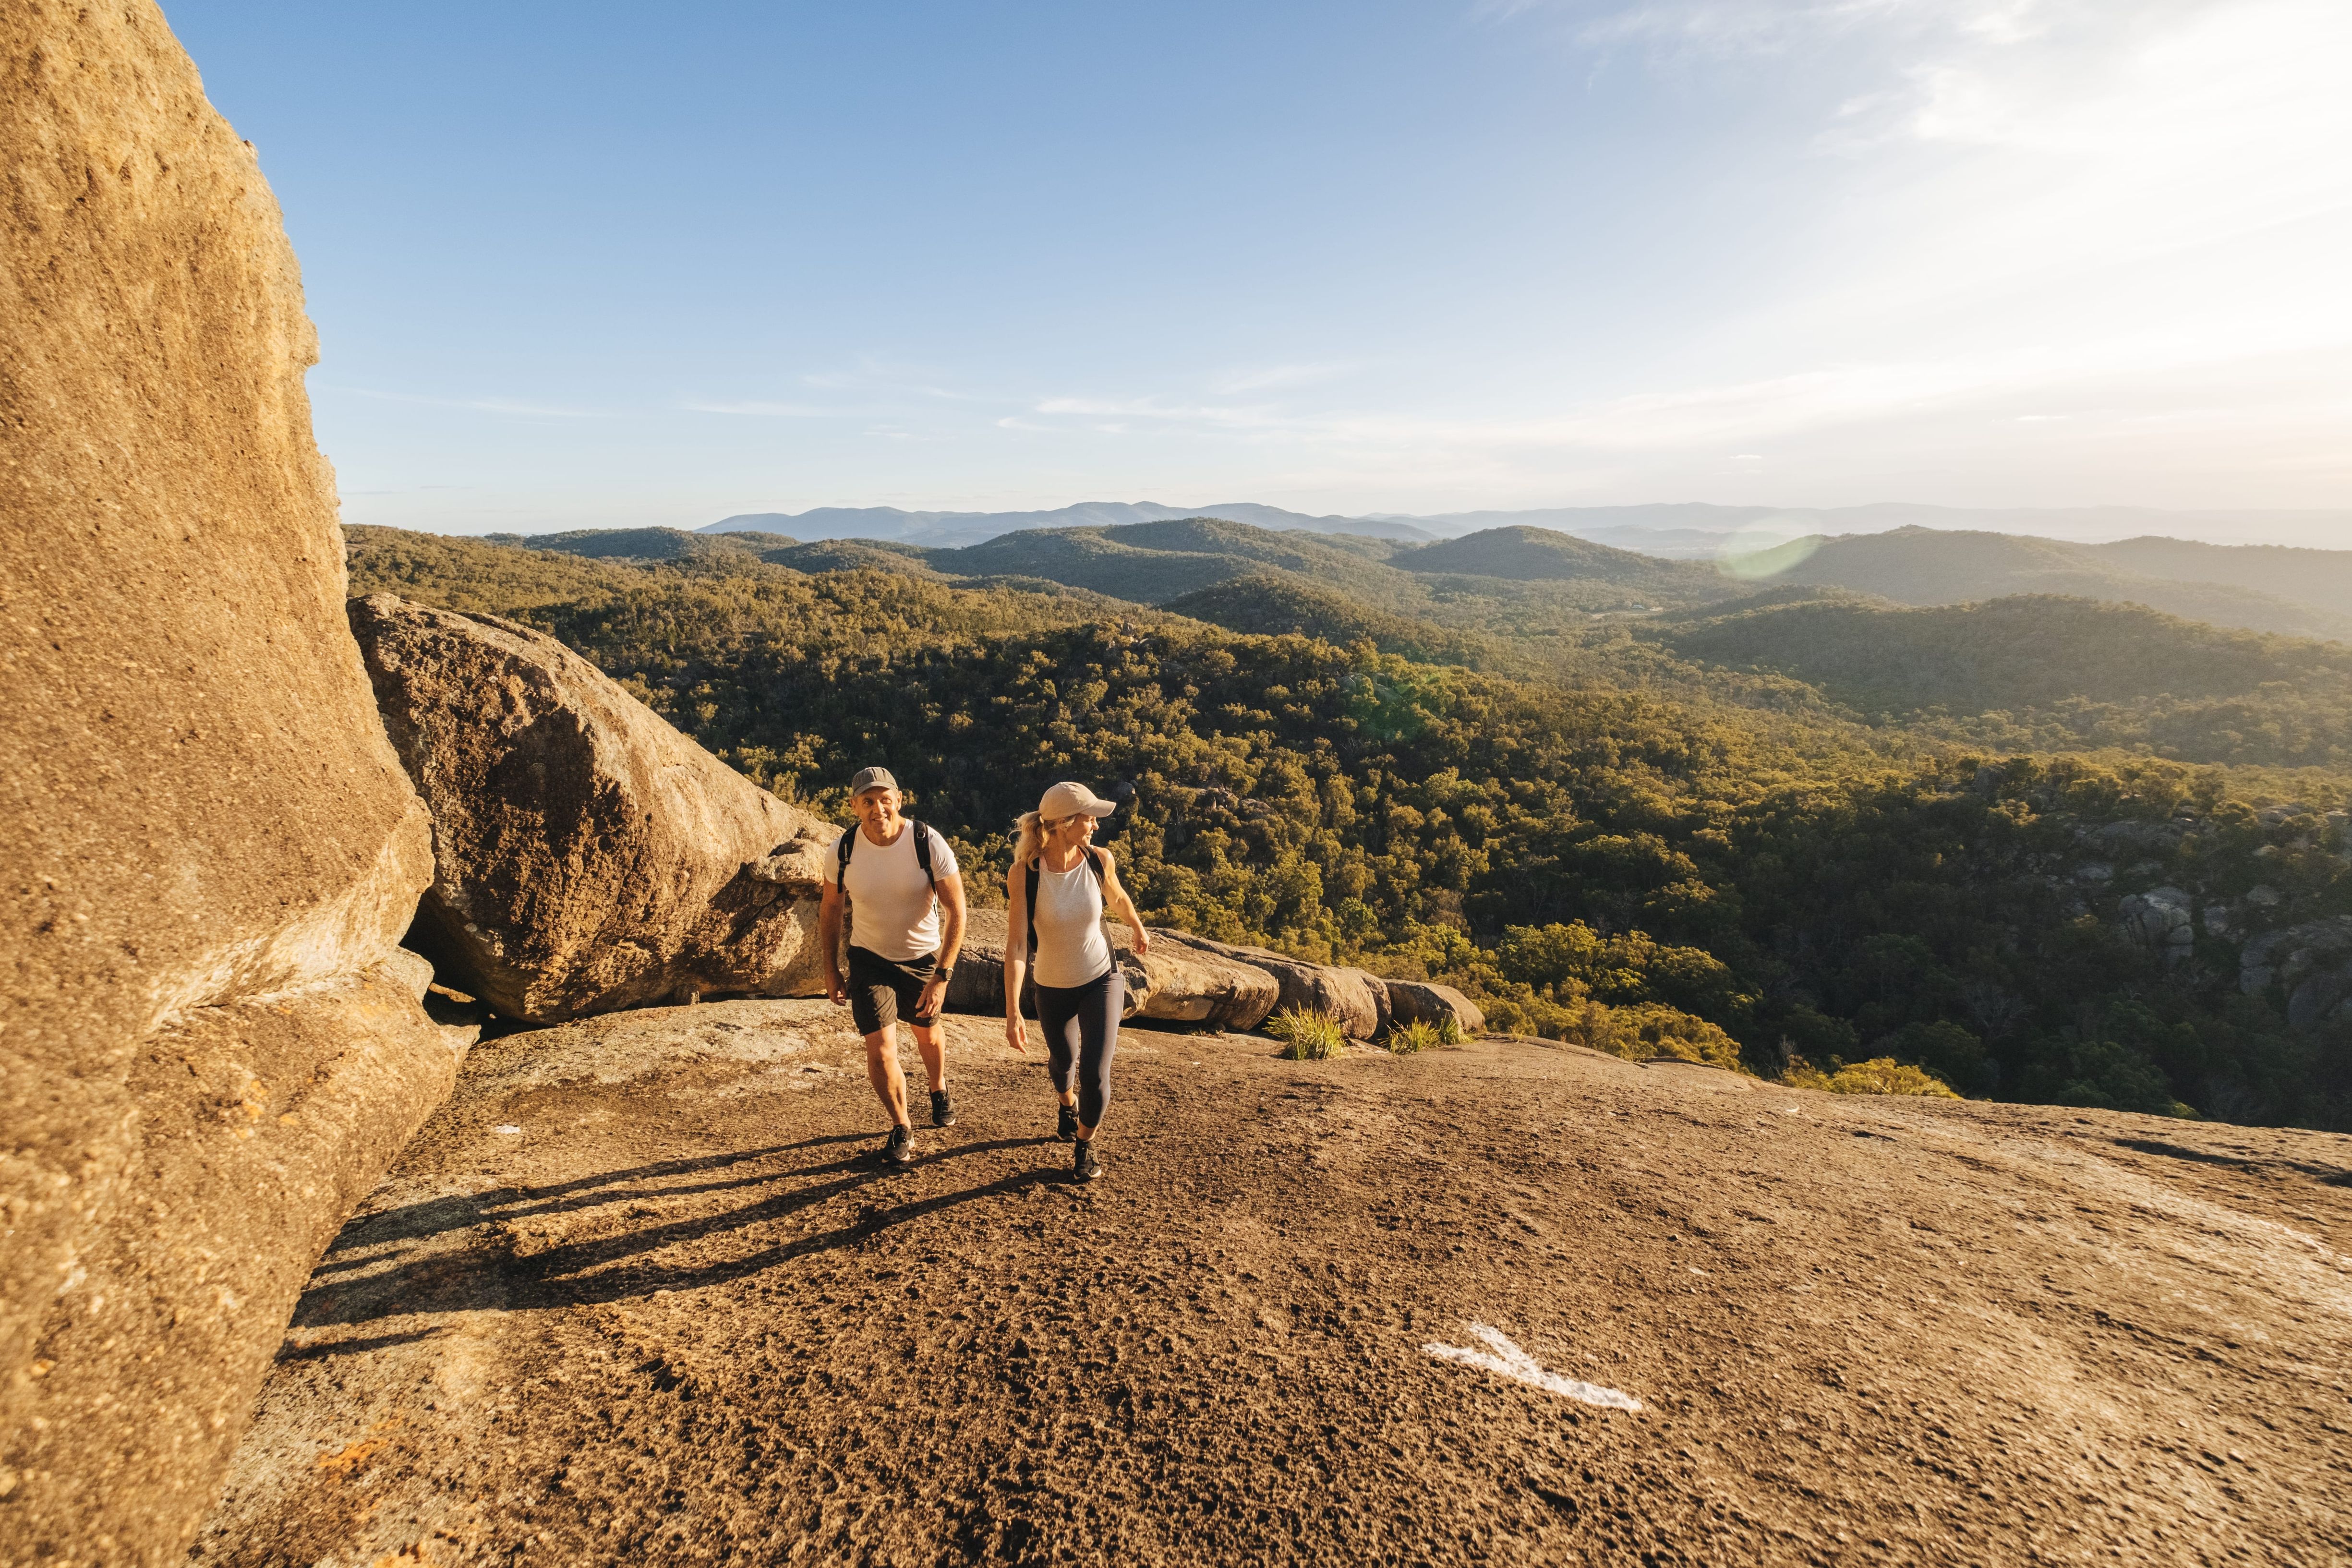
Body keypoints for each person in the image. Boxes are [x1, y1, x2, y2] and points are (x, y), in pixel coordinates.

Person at [820, 767, 967, 1169]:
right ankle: (902, 1125)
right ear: (854, 806)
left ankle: (938, 1088)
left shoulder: (926, 843)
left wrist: (942, 976)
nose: (878, 808)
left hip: (921, 960)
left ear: (899, 800)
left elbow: (957, 911)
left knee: (928, 1036)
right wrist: (831, 970)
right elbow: (831, 909)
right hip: (869, 959)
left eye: (885, 799)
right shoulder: (843, 850)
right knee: (881, 1050)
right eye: (868, 801)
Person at [1002, 781, 1149, 1182]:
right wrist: (1013, 1010)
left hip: (1100, 977)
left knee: (1095, 1073)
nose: (1095, 826)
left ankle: (1084, 1145)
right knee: (1063, 1065)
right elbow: (1017, 945)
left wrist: (1136, 926)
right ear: (1065, 823)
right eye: (1089, 819)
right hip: (1050, 984)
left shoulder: (1099, 860)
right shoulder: (1024, 875)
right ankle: (1067, 1105)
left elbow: (1116, 898)